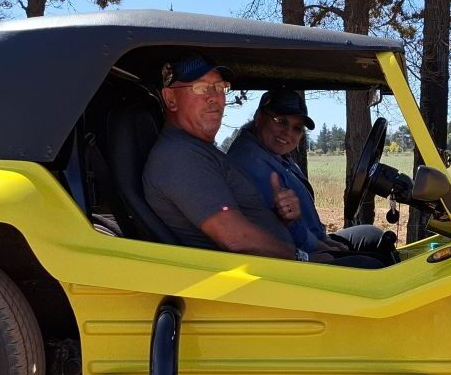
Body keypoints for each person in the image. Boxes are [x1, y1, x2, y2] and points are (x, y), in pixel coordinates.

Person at [142, 53, 381, 268]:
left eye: (220, 88)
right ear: (171, 99)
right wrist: (304, 257)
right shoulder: (182, 157)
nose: (216, 98)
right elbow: (237, 238)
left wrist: (284, 219)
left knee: (373, 250)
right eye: (202, 88)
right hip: (261, 282)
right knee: (375, 269)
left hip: (271, 269)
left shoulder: (199, 151)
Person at [227, 89, 391, 260]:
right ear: (259, 117)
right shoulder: (253, 163)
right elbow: (280, 227)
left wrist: (325, 240)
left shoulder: (274, 155)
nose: (288, 132)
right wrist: (321, 246)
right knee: (374, 264)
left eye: (297, 128)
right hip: (291, 256)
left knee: (371, 235)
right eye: (281, 121)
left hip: (310, 242)